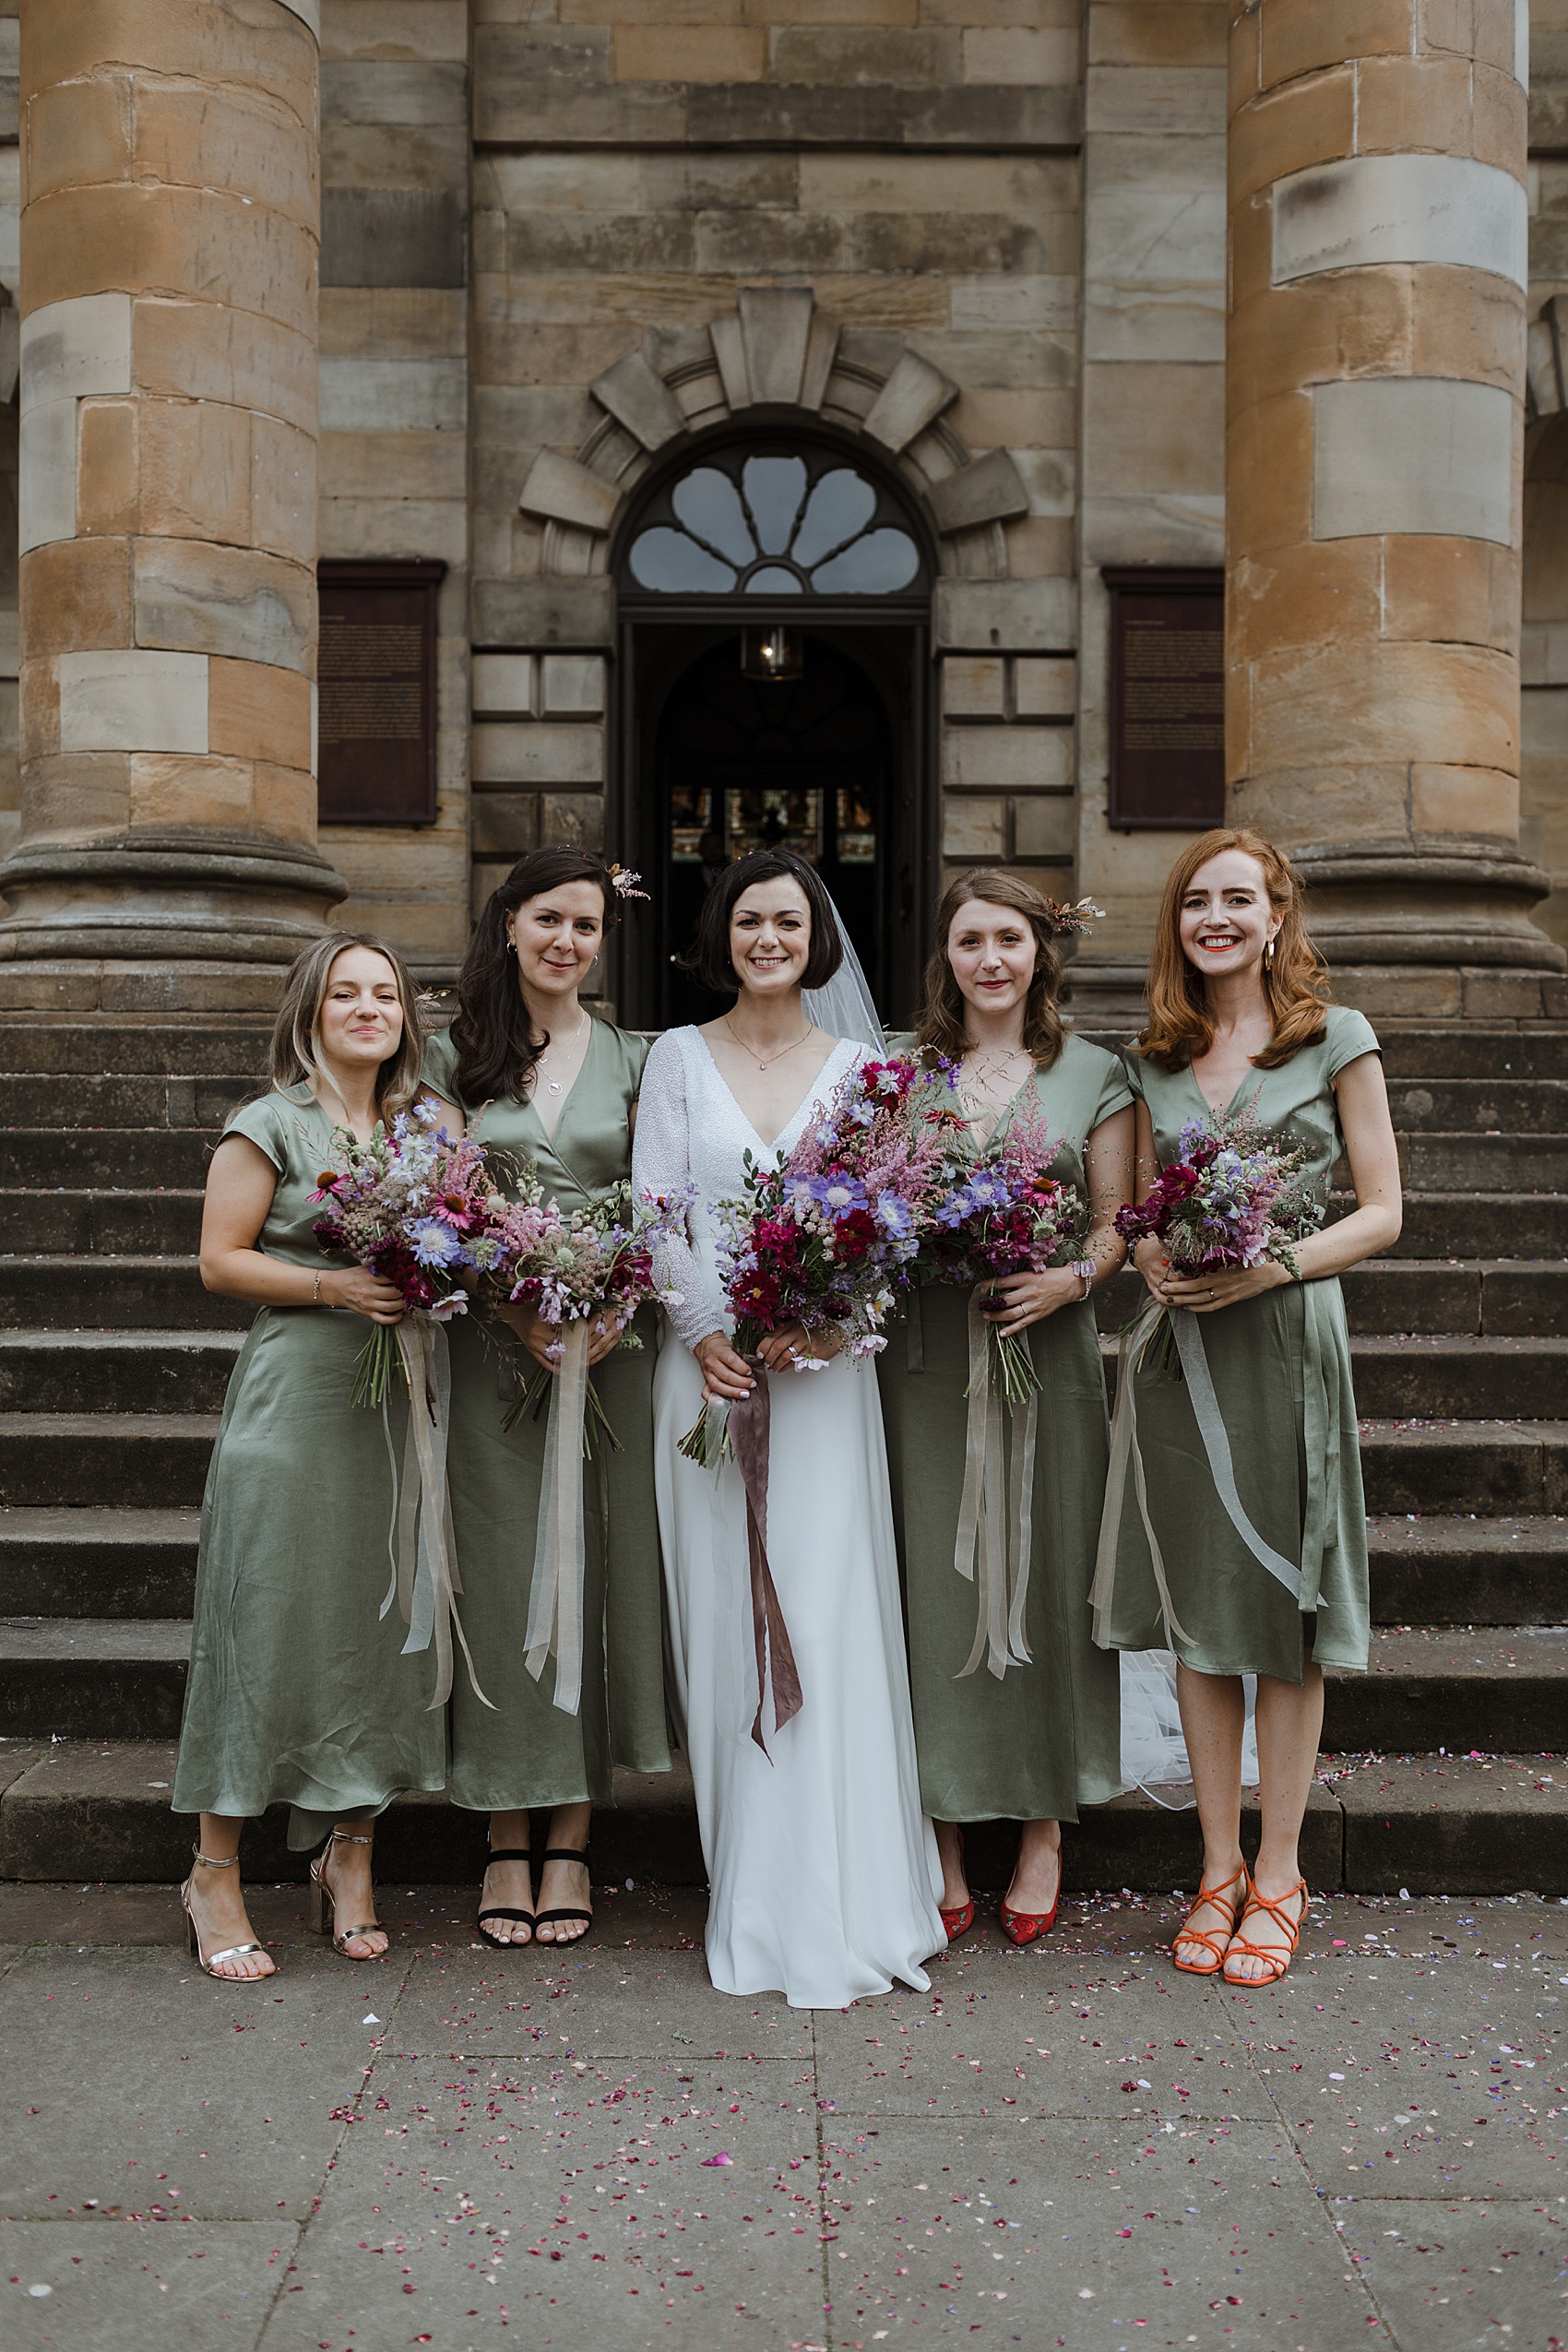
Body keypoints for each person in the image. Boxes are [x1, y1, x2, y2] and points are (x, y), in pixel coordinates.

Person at [632, 848, 944, 2008]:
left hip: (820, 1386)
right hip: (707, 1378)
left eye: (790, 922)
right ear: (723, 936)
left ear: (820, 939)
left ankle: (845, 1888)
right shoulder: (675, 1057)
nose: (770, 939)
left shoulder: (865, 1072)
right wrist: (705, 1327)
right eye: (750, 922)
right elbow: (655, 1207)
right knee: (726, 1622)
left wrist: (829, 1323)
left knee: (822, 1605)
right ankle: (749, 1887)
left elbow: (888, 1226)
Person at [1094, 828, 1401, 1986]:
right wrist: (1154, 1259)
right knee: (1202, 1616)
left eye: (1237, 900)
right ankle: (1214, 1865)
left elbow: (1382, 1212)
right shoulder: (1151, 1062)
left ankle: (1279, 1870)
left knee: (1281, 1608)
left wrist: (1278, 1266)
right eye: (1194, 903)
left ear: (1276, 917)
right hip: (1183, 1357)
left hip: (1283, 1342)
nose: (1214, 919)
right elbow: (1126, 1216)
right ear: (1174, 925)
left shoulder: (1335, 1040)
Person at [172, 932, 451, 1979]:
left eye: (385, 992)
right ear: (312, 1008)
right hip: (295, 1403)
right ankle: (213, 1872)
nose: (369, 1007)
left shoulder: (428, 1129)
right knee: (265, 1620)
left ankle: (349, 1855)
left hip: (395, 1408)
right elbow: (220, 1260)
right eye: (348, 992)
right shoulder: (269, 1123)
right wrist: (333, 1285)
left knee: (372, 1626)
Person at [422, 848, 671, 1951]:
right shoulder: (447, 1057)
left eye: (585, 925)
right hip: (495, 1349)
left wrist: (620, 1296)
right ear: (509, 925)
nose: (566, 941)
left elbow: (668, 1199)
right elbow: (434, 1202)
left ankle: (569, 1831)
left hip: (615, 1349)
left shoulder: (639, 1058)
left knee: (599, 1575)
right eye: (548, 920)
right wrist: (507, 1299)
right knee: (498, 1564)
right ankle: (500, 1831)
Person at [878, 873, 1132, 1945]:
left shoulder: (1093, 1075)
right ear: (946, 955)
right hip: (928, 1367)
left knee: (1049, 1577)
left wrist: (1071, 1279)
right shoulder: (899, 1071)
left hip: (1050, 1351)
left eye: (1009, 940)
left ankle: (1041, 1823)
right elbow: (870, 1207)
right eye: (971, 940)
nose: (990, 959)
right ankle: (938, 1828)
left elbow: (1119, 1225)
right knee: (931, 1587)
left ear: (1040, 953)